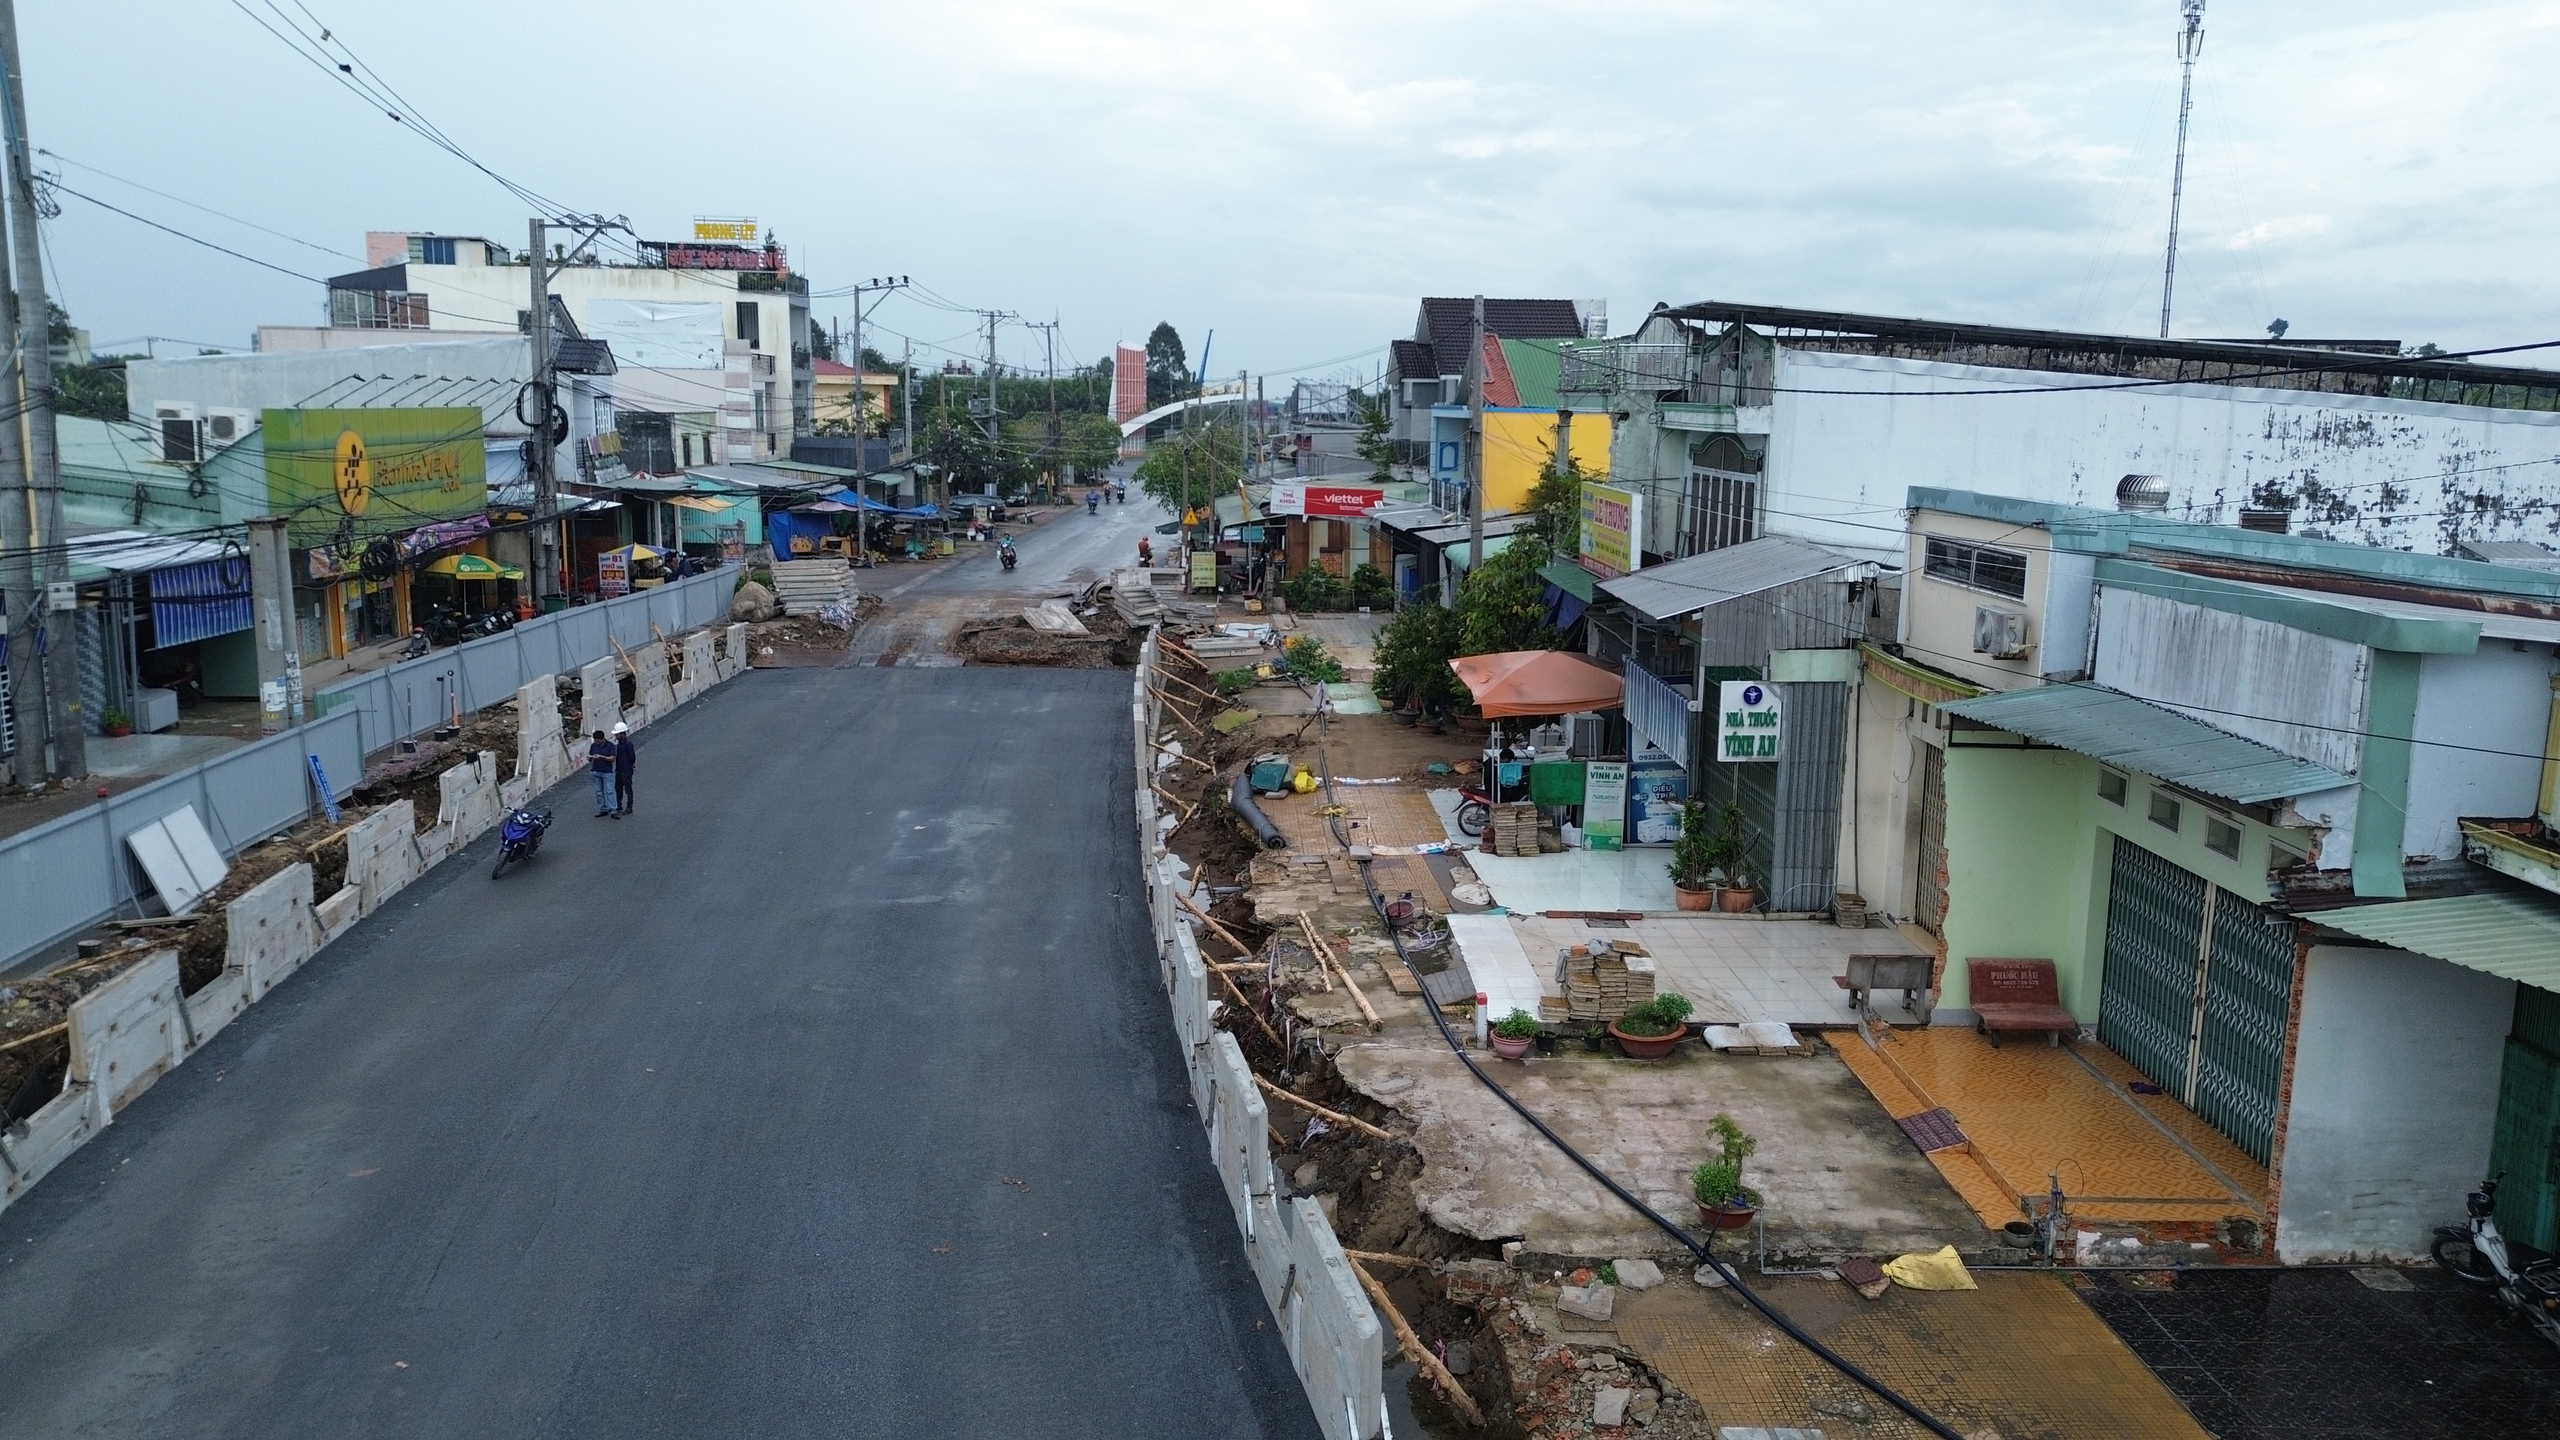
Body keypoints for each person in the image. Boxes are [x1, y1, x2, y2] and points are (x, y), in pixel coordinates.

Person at [587, 729, 618, 817]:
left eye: (598, 741)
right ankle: (603, 809)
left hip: (607, 772)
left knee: (610, 791)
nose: (597, 742)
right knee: (598, 792)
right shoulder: (593, 746)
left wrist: (601, 757)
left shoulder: (610, 746)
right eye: (595, 740)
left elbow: (612, 759)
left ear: (602, 739)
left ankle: (613, 810)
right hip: (596, 771)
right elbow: (590, 757)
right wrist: (590, 758)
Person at [612, 722, 636, 816]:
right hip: (620, 770)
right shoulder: (621, 743)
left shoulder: (628, 744)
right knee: (618, 788)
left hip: (626, 770)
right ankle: (618, 805)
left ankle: (629, 806)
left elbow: (632, 757)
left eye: (617, 734)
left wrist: (630, 765)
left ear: (622, 733)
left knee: (628, 789)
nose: (616, 736)